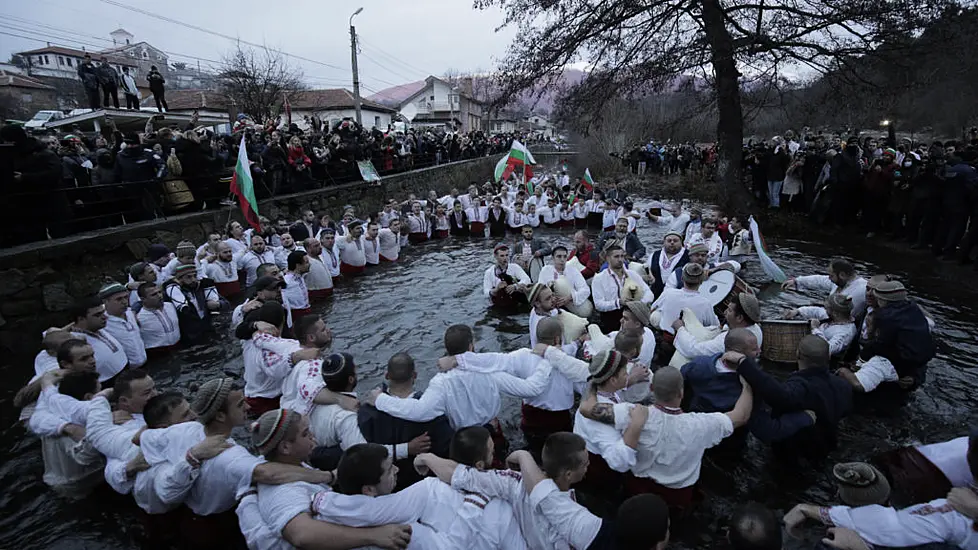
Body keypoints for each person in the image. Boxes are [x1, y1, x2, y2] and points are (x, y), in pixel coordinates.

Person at [142, 377, 333, 549]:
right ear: (220, 416)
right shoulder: (229, 456)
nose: (248, 407)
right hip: (216, 528)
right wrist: (328, 476)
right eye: (240, 404)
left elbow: (144, 437)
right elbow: (268, 473)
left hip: (191, 518)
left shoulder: (185, 429)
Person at [416, 433, 674, 550]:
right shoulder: (579, 520)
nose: (590, 465)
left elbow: (463, 475)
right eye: (585, 463)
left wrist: (428, 458)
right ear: (569, 475)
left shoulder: (513, 483)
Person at [578, 366, 753, 517]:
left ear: (652, 389)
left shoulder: (632, 412)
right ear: (682, 393)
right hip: (677, 496)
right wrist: (748, 385)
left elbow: (587, 409)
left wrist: (593, 383)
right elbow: (741, 415)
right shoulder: (702, 425)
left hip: (637, 489)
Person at [238, 410, 415, 550]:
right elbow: (302, 535)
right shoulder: (284, 493)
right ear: (285, 447)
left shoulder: (282, 466)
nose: (312, 437)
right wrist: (374, 535)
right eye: (305, 434)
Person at [732, 335, 853, 461]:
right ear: (828, 356)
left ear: (797, 354)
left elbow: (778, 394)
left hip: (793, 454)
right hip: (827, 446)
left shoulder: (799, 388)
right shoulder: (844, 385)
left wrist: (744, 364)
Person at [307, 353, 429, 470]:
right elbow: (363, 454)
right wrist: (407, 448)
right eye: (355, 370)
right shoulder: (347, 417)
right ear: (351, 379)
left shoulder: (313, 404)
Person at [358, 353, 454, 490]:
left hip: (384, 487)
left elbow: (362, 450)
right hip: (422, 485)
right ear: (414, 375)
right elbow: (447, 447)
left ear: (386, 375)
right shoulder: (432, 414)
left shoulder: (367, 412)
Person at [837, 280, 936, 399]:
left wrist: (914, 378)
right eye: (867, 289)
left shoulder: (885, 318)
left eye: (874, 292)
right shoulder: (913, 312)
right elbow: (922, 349)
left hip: (886, 378)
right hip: (898, 366)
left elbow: (881, 345)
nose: (869, 294)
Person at [572, 350, 645, 496]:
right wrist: (636, 425)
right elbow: (619, 462)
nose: (627, 374)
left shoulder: (597, 389)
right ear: (612, 380)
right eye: (625, 373)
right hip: (599, 469)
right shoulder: (598, 423)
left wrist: (627, 381)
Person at [28, 370, 105, 495]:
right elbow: (87, 456)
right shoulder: (76, 431)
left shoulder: (51, 414)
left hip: (56, 478)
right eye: (100, 391)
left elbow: (48, 388)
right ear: (89, 397)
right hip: (79, 484)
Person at [84, 368, 156, 495]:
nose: (155, 394)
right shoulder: (118, 426)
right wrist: (129, 468)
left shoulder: (160, 406)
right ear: (124, 401)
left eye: (154, 388)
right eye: (147, 393)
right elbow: (112, 470)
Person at [673, 293, 763, 360]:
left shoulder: (728, 340)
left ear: (739, 318)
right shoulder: (756, 328)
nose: (725, 312)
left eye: (730, 310)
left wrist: (680, 329)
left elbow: (693, 350)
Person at [592, 245, 654, 332]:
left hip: (633, 312)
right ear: (608, 258)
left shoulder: (633, 274)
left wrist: (639, 303)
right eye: (616, 256)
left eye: (622, 256)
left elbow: (649, 293)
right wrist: (619, 302)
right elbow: (598, 304)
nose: (620, 260)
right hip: (612, 315)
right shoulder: (599, 278)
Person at [68, 296, 128, 384]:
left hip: (125, 375)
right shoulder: (74, 341)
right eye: (97, 315)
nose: (105, 317)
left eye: (103, 313)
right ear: (81, 319)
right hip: (108, 385)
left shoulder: (99, 328)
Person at [782, 259, 868, 319]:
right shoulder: (844, 281)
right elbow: (820, 280)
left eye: (831, 275)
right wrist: (797, 281)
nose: (829, 278)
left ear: (842, 275)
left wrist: (800, 311)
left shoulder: (859, 291)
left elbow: (836, 315)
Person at [650, 263, 719, 335]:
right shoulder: (706, 303)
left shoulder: (668, 293)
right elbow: (714, 326)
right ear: (701, 281)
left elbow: (653, 309)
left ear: (682, 278)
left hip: (664, 340)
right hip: (690, 343)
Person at [162, 264, 221, 344]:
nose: (193, 280)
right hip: (188, 335)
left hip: (207, 328)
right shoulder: (172, 293)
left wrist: (218, 304)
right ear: (180, 279)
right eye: (188, 277)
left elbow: (226, 303)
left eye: (194, 276)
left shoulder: (203, 287)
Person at [787, 293, 858, 358]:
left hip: (824, 362)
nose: (825, 310)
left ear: (835, 313)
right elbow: (817, 311)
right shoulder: (836, 317)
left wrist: (815, 329)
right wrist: (798, 311)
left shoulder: (846, 332)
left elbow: (827, 349)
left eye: (827, 309)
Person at [99, 282, 147, 368]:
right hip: (125, 371)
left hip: (145, 363)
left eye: (126, 297)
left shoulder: (130, 313)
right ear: (105, 301)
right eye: (119, 299)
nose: (124, 302)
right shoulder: (102, 323)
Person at [537, 245, 591, 312]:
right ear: (553, 258)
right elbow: (540, 290)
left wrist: (570, 297)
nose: (562, 260)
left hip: (570, 304)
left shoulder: (573, 270)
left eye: (565, 256)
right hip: (552, 305)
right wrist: (551, 298)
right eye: (559, 256)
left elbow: (585, 289)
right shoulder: (546, 270)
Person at [135, 283, 181, 355]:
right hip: (156, 354)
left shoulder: (170, 306)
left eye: (160, 292)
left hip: (178, 348)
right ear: (143, 299)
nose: (159, 296)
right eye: (154, 294)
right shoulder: (139, 317)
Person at [483, 243, 531, 309]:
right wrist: (496, 290)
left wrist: (515, 286)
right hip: (498, 304)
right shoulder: (489, 272)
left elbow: (527, 280)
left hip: (514, 301)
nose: (505, 258)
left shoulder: (514, 267)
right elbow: (486, 293)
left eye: (507, 255)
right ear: (495, 256)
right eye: (502, 256)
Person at [645, 231, 689, 297]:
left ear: (681, 242)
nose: (672, 242)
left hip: (678, 296)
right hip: (655, 294)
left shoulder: (688, 255)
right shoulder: (654, 255)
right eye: (669, 240)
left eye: (675, 240)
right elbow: (647, 269)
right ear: (664, 242)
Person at [281, 251, 311, 325]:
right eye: (306, 262)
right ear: (298, 265)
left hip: (306, 311)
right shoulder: (287, 281)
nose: (309, 264)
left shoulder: (300, 277)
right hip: (296, 317)